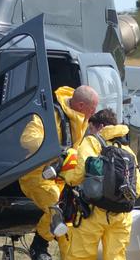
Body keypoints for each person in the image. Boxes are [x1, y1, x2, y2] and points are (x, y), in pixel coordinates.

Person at [19, 85, 99, 260]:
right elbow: (28, 138)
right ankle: (39, 244)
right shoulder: (49, 115)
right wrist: (57, 152)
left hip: (61, 179)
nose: (94, 114)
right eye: (92, 109)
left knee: (71, 220)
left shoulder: (79, 119)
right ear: (80, 105)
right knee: (58, 204)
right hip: (36, 176)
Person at [59, 108, 140, 260]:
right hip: (121, 214)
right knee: (116, 257)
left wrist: (65, 175)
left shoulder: (92, 141)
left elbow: (78, 175)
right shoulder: (128, 150)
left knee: (80, 255)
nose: (90, 132)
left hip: (94, 212)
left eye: (91, 128)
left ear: (100, 126)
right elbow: (138, 188)